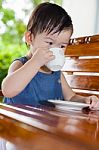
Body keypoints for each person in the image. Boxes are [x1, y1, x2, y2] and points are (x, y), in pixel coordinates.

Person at [1, 2, 99, 109]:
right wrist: (35, 62)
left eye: (62, 46)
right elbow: (7, 90)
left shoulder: (57, 74)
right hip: (18, 123)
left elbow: (71, 97)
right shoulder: (20, 64)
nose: (55, 50)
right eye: (50, 43)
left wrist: (85, 100)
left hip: (47, 124)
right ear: (30, 38)